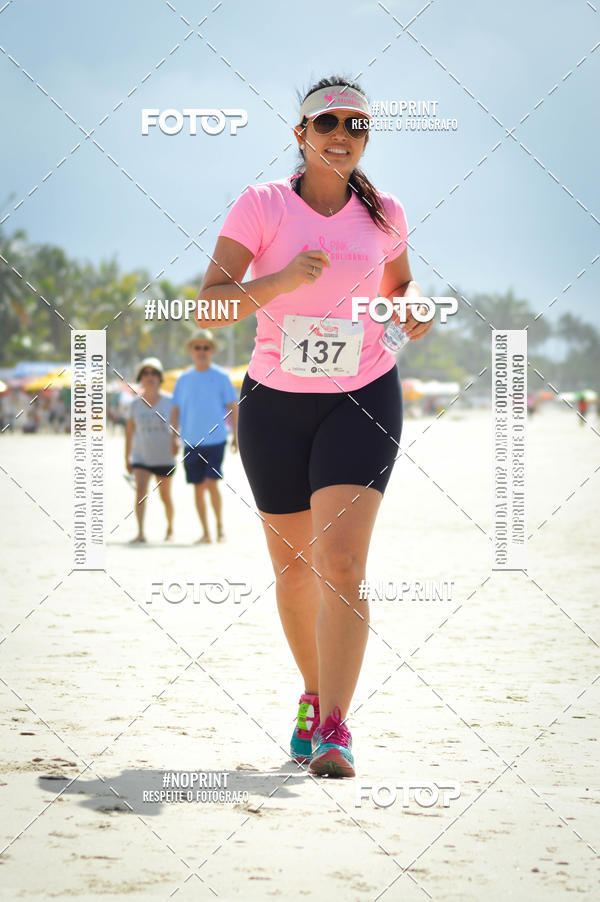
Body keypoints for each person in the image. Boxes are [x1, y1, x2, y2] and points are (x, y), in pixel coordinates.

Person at [195, 75, 434, 777]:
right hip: (274, 403)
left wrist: (413, 305)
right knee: (295, 571)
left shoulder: (385, 212)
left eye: (356, 125)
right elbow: (208, 307)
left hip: (361, 395)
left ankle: (335, 725)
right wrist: (282, 281)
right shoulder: (262, 204)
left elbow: (399, 284)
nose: (342, 135)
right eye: (327, 123)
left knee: (342, 564)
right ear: (300, 134)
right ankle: (310, 694)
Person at [170, 330, 238, 544]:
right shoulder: (183, 378)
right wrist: (173, 437)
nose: (201, 351)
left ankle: (219, 527)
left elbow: (232, 407)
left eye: (206, 347)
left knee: (211, 483)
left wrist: (237, 435)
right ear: (191, 350)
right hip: (190, 441)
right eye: (197, 347)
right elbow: (175, 410)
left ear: (211, 350)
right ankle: (206, 532)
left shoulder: (221, 377)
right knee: (198, 486)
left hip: (216, 440)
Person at [125, 357, 175, 543]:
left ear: (160, 377)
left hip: (164, 456)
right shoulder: (134, 404)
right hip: (141, 456)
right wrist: (127, 458)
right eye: (146, 373)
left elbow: (178, 427)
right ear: (141, 377)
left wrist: (176, 442)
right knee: (140, 493)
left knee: (165, 496)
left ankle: (170, 529)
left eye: (154, 373)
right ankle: (140, 532)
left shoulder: (170, 402)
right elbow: (129, 432)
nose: (150, 376)